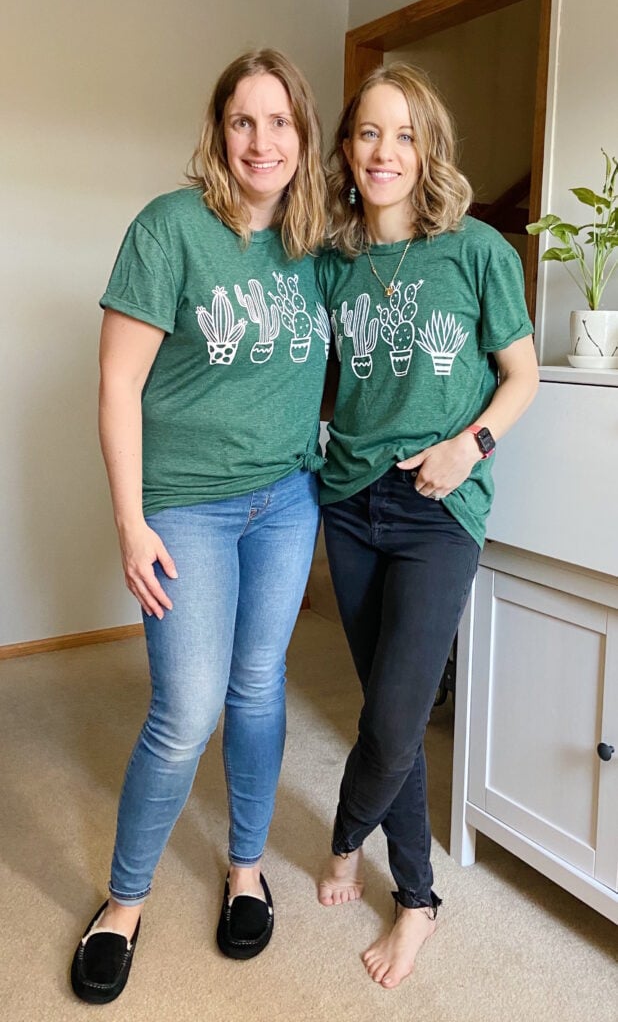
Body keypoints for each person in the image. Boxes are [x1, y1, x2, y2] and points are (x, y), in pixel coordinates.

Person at [70, 49, 328, 1004]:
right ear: (219, 131)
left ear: (304, 136)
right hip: (188, 506)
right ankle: (124, 903)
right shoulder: (170, 229)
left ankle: (246, 869)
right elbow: (118, 384)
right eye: (242, 121)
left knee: (260, 689)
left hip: (286, 501)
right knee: (184, 713)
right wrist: (131, 522)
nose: (262, 141)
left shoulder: (318, 239)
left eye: (280, 123)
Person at [316, 63, 538, 990]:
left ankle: (344, 840)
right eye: (368, 133)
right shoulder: (331, 259)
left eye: (403, 135)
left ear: (428, 149)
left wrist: (468, 446)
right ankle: (417, 896)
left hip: (441, 503)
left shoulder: (477, 249)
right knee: (385, 710)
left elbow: (520, 376)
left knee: (398, 716)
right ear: (348, 148)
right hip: (351, 501)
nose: (385, 152)